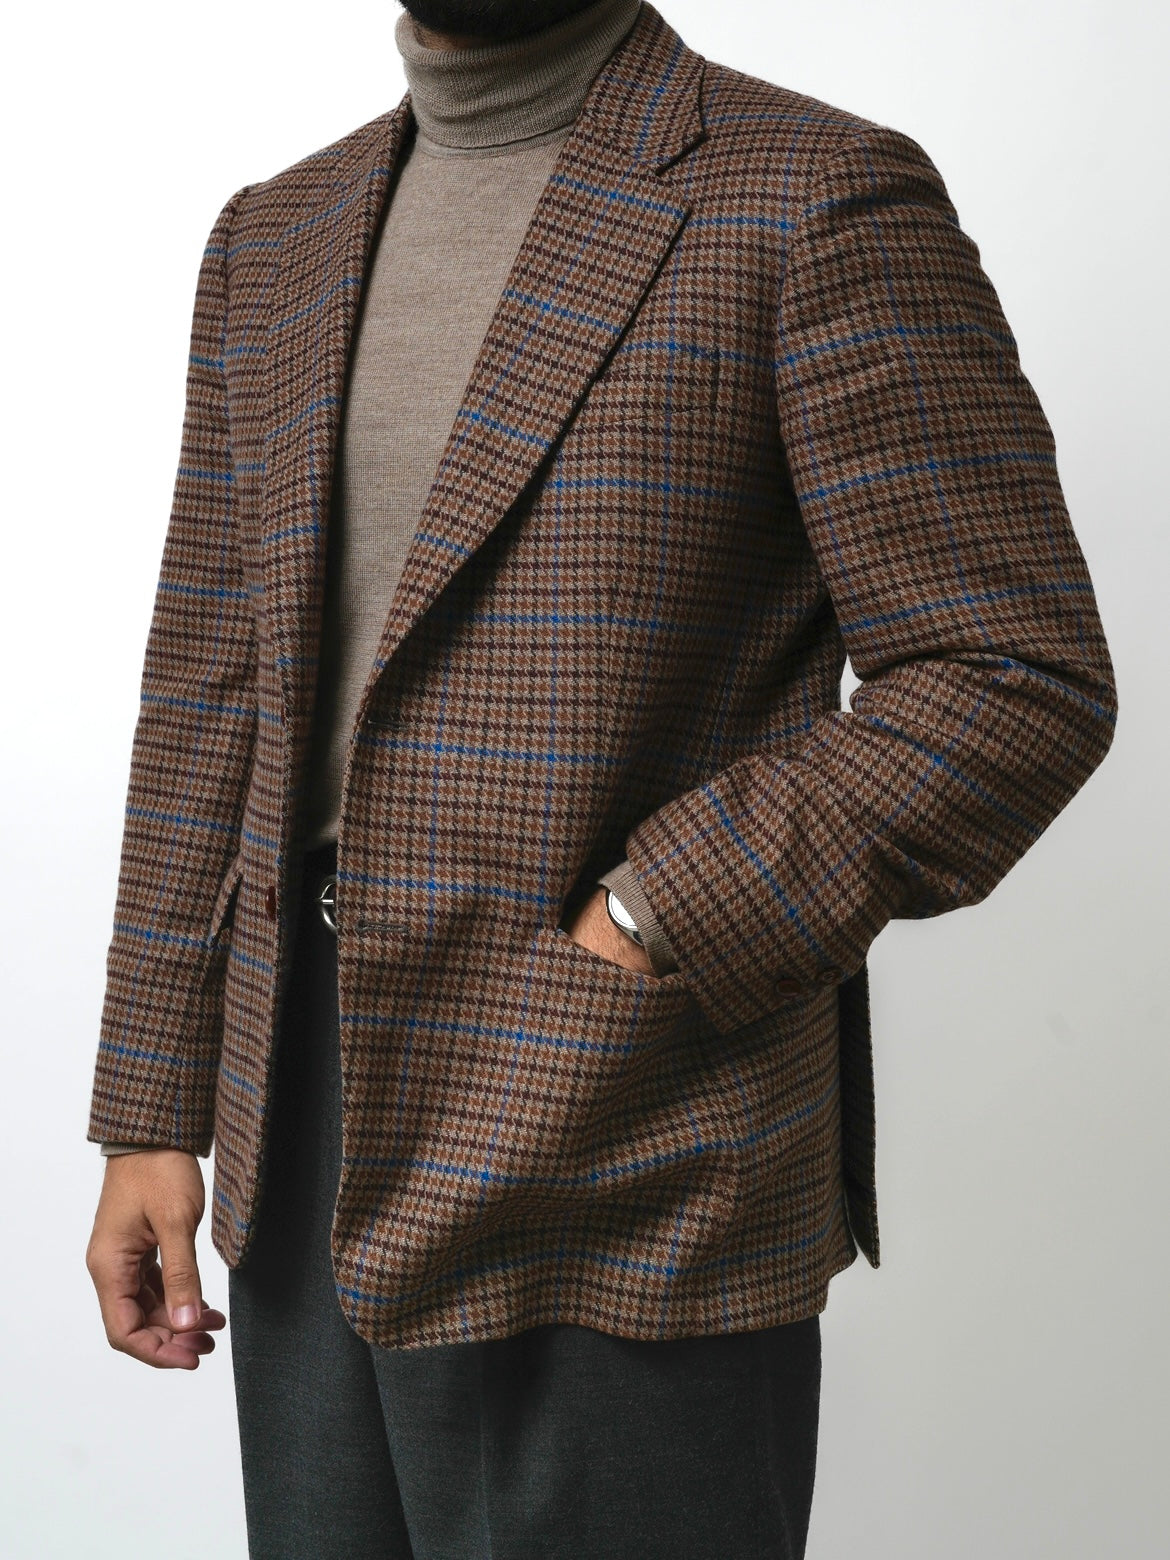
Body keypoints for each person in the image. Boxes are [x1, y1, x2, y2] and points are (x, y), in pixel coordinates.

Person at [84, 0, 1117, 1554]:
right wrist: (150, 1110)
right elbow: (206, 695)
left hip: (629, 1119)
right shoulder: (272, 237)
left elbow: (1008, 677)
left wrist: (649, 918)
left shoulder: (814, 193)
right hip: (294, 1119)